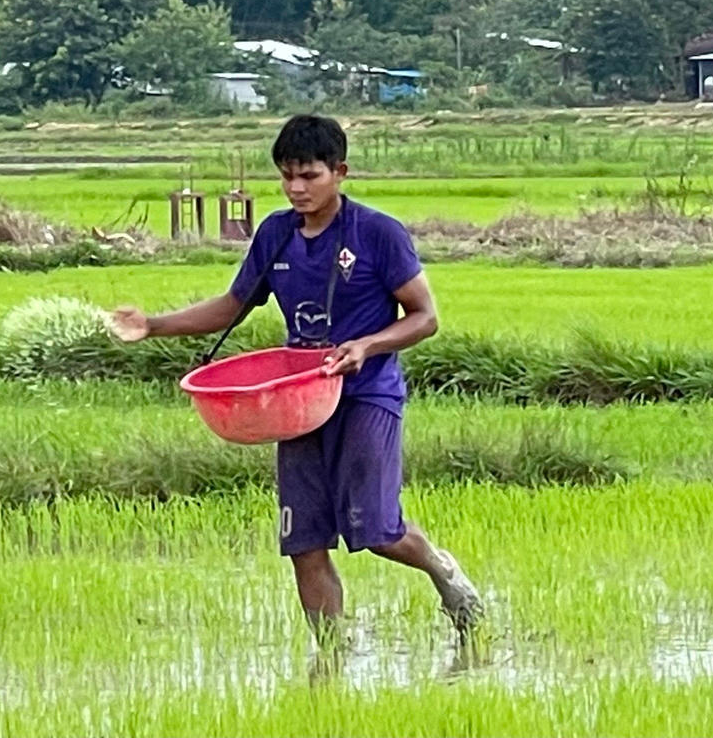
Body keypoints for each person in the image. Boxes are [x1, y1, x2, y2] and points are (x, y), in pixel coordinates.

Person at [110, 114, 483, 645]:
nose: (295, 188)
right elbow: (234, 304)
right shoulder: (276, 235)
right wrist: (153, 325)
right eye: (286, 176)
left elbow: (425, 317)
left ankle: (444, 573)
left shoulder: (377, 233)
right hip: (298, 400)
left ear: (340, 172)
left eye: (309, 175)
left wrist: (366, 345)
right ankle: (330, 658)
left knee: (378, 532)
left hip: (365, 393)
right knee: (304, 540)